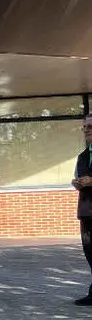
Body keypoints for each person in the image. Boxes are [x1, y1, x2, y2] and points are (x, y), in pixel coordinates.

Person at [72, 114, 92, 306]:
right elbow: (78, 176)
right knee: (90, 252)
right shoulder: (83, 156)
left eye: (90, 127)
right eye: (84, 127)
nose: (86, 130)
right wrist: (77, 183)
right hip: (87, 211)